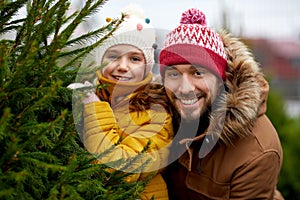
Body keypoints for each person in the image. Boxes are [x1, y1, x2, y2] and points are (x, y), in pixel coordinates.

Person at [158, 8, 284, 199]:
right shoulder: (158, 116)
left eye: (198, 72)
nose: (184, 88)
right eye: (174, 74)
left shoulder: (257, 150)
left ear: (220, 78)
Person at [77, 5, 173, 200]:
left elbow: (121, 170)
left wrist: (94, 109)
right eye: (113, 56)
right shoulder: (84, 97)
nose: (122, 66)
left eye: (134, 58)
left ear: (148, 67)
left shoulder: (157, 113)